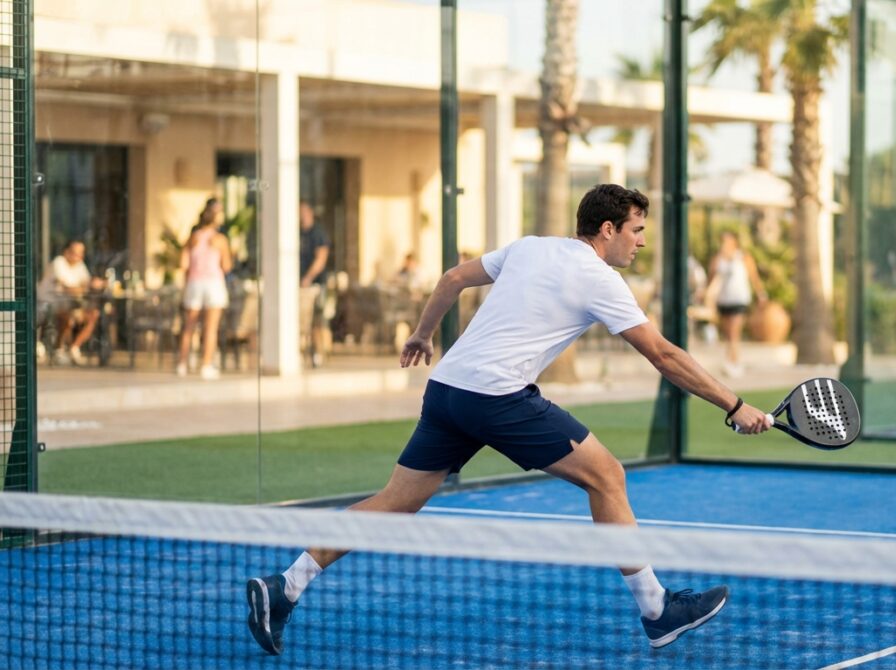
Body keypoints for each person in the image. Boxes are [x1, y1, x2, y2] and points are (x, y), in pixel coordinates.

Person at [245, 184, 773, 655]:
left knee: (395, 502)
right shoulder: (600, 279)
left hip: (448, 389)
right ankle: (657, 611)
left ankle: (285, 586)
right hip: (496, 397)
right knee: (607, 476)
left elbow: (452, 279)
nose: (640, 241)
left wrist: (422, 334)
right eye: (635, 231)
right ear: (607, 229)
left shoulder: (531, 246)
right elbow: (664, 355)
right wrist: (734, 405)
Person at [177, 198, 232, 380]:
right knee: (210, 327)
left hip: (194, 283)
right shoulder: (220, 240)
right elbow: (226, 266)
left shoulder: (193, 238)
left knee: (189, 326)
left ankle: (182, 364)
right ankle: (206, 365)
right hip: (213, 284)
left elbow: (183, 263)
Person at [706, 231, 767, 378]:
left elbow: (754, 277)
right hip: (724, 300)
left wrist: (760, 294)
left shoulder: (744, 257)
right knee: (728, 333)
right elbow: (711, 278)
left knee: (734, 331)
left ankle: (734, 362)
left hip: (739, 299)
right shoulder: (718, 259)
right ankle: (731, 360)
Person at [38, 240, 106, 366]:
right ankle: (58, 349)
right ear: (67, 252)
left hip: (71, 305)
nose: (80, 256)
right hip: (49, 306)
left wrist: (94, 284)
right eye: (76, 253)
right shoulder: (58, 262)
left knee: (94, 314)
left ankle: (74, 348)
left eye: (81, 253)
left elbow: (87, 284)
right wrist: (86, 286)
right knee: (67, 317)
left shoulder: (80, 265)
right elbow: (68, 288)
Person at [299, 201, 332, 366]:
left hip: (317, 284)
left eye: (303, 211)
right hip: (299, 285)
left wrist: (308, 277)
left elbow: (321, 258)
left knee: (318, 320)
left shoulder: (318, 233)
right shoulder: (297, 232)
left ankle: (320, 353)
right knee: (303, 320)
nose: (300, 214)